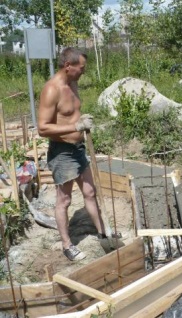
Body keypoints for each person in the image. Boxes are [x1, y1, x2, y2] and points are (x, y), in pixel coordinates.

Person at [38, 47, 107, 261]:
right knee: (64, 200)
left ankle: (104, 232)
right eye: (81, 68)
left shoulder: (73, 83)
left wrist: (81, 120)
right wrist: (76, 126)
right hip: (62, 153)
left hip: (78, 149)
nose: (83, 72)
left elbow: (71, 113)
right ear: (68, 66)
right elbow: (43, 128)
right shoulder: (52, 89)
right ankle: (67, 245)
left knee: (89, 192)